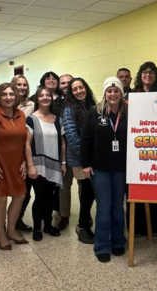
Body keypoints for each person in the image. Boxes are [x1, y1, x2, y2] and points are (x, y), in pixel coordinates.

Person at [82, 77, 128, 263]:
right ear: (104, 93)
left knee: (118, 207)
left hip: (121, 168)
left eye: (116, 90)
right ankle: (102, 245)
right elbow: (85, 139)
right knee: (103, 207)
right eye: (109, 91)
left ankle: (118, 241)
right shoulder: (95, 112)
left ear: (121, 93)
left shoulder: (129, 113)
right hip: (99, 169)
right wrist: (85, 164)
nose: (113, 94)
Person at [0, 82, 30, 250]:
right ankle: (1, 234)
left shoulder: (20, 114)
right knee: (0, 199)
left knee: (20, 195)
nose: (8, 97)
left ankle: (11, 230)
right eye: (4, 94)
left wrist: (24, 160)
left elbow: (24, 141)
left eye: (11, 94)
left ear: (16, 96)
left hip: (16, 164)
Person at [132, 61, 157, 235]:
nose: (147, 75)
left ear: (156, 75)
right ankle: (137, 226)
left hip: (155, 145)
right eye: (144, 72)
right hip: (135, 145)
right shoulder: (131, 94)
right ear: (140, 75)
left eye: (151, 72)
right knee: (137, 186)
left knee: (155, 187)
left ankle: (156, 225)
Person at [26, 87, 65, 240]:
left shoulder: (58, 120)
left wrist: (63, 163)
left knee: (50, 197)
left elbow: (62, 143)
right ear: (37, 99)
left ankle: (48, 226)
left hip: (54, 164)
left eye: (47, 95)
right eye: (41, 95)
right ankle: (37, 228)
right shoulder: (31, 119)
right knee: (40, 197)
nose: (44, 98)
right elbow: (27, 144)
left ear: (51, 98)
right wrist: (30, 165)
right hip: (38, 165)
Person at [62, 77, 97, 244]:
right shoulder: (69, 110)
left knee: (92, 192)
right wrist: (87, 159)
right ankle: (82, 226)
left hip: (95, 158)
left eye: (81, 87)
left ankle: (87, 220)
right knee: (87, 192)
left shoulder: (94, 106)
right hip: (80, 160)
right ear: (71, 93)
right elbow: (72, 138)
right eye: (74, 89)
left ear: (86, 88)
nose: (78, 91)